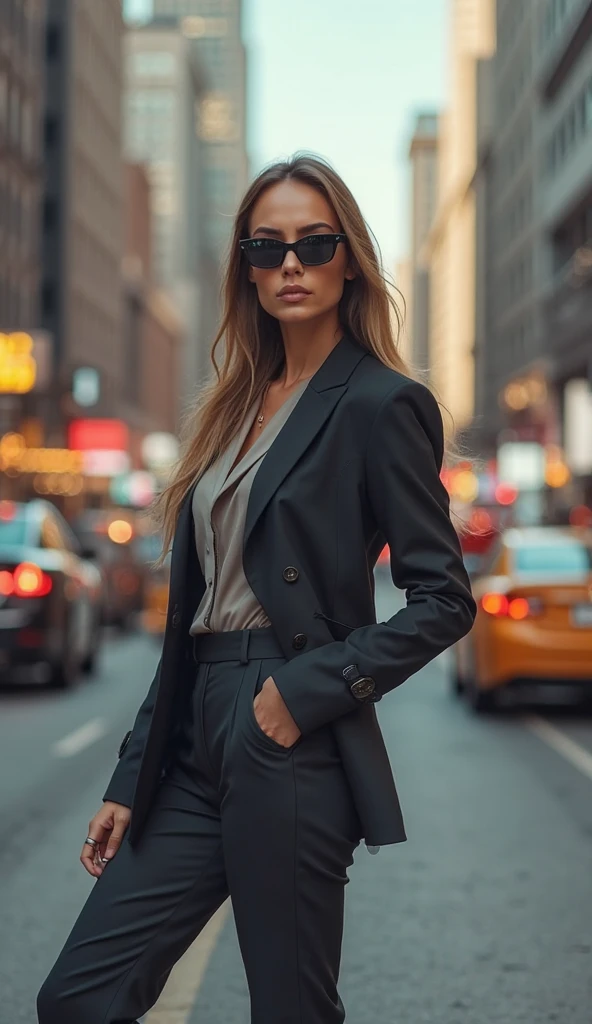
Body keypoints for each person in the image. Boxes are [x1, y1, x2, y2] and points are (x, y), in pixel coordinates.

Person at [37, 153, 477, 1024]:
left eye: (315, 245)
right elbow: (189, 621)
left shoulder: (382, 404)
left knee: (289, 1009)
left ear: (348, 258)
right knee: (79, 999)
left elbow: (443, 599)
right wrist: (135, 774)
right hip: (196, 730)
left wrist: (297, 696)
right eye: (266, 246)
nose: (290, 265)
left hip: (289, 729)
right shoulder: (233, 407)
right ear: (244, 264)